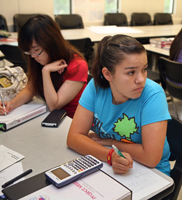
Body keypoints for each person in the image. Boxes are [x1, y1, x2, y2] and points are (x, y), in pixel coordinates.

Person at [67, 34, 171, 175]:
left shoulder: (153, 95)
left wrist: (111, 142)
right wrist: (110, 155)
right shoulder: (96, 87)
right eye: (131, 72)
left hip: (152, 173)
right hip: (110, 165)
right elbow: (74, 138)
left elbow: (151, 159)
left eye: (144, 69)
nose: (141, 79)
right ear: (108, 74)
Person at [0, 14, 88, 118]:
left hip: (72, 121)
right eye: (29, 51)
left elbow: (54, 105)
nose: (33, 56)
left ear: (51, 43)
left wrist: (46, 71)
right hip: (51, 118)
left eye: (36, 50)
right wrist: (10, 104)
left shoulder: (78, 65)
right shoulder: (39, 57)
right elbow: (30, 89)